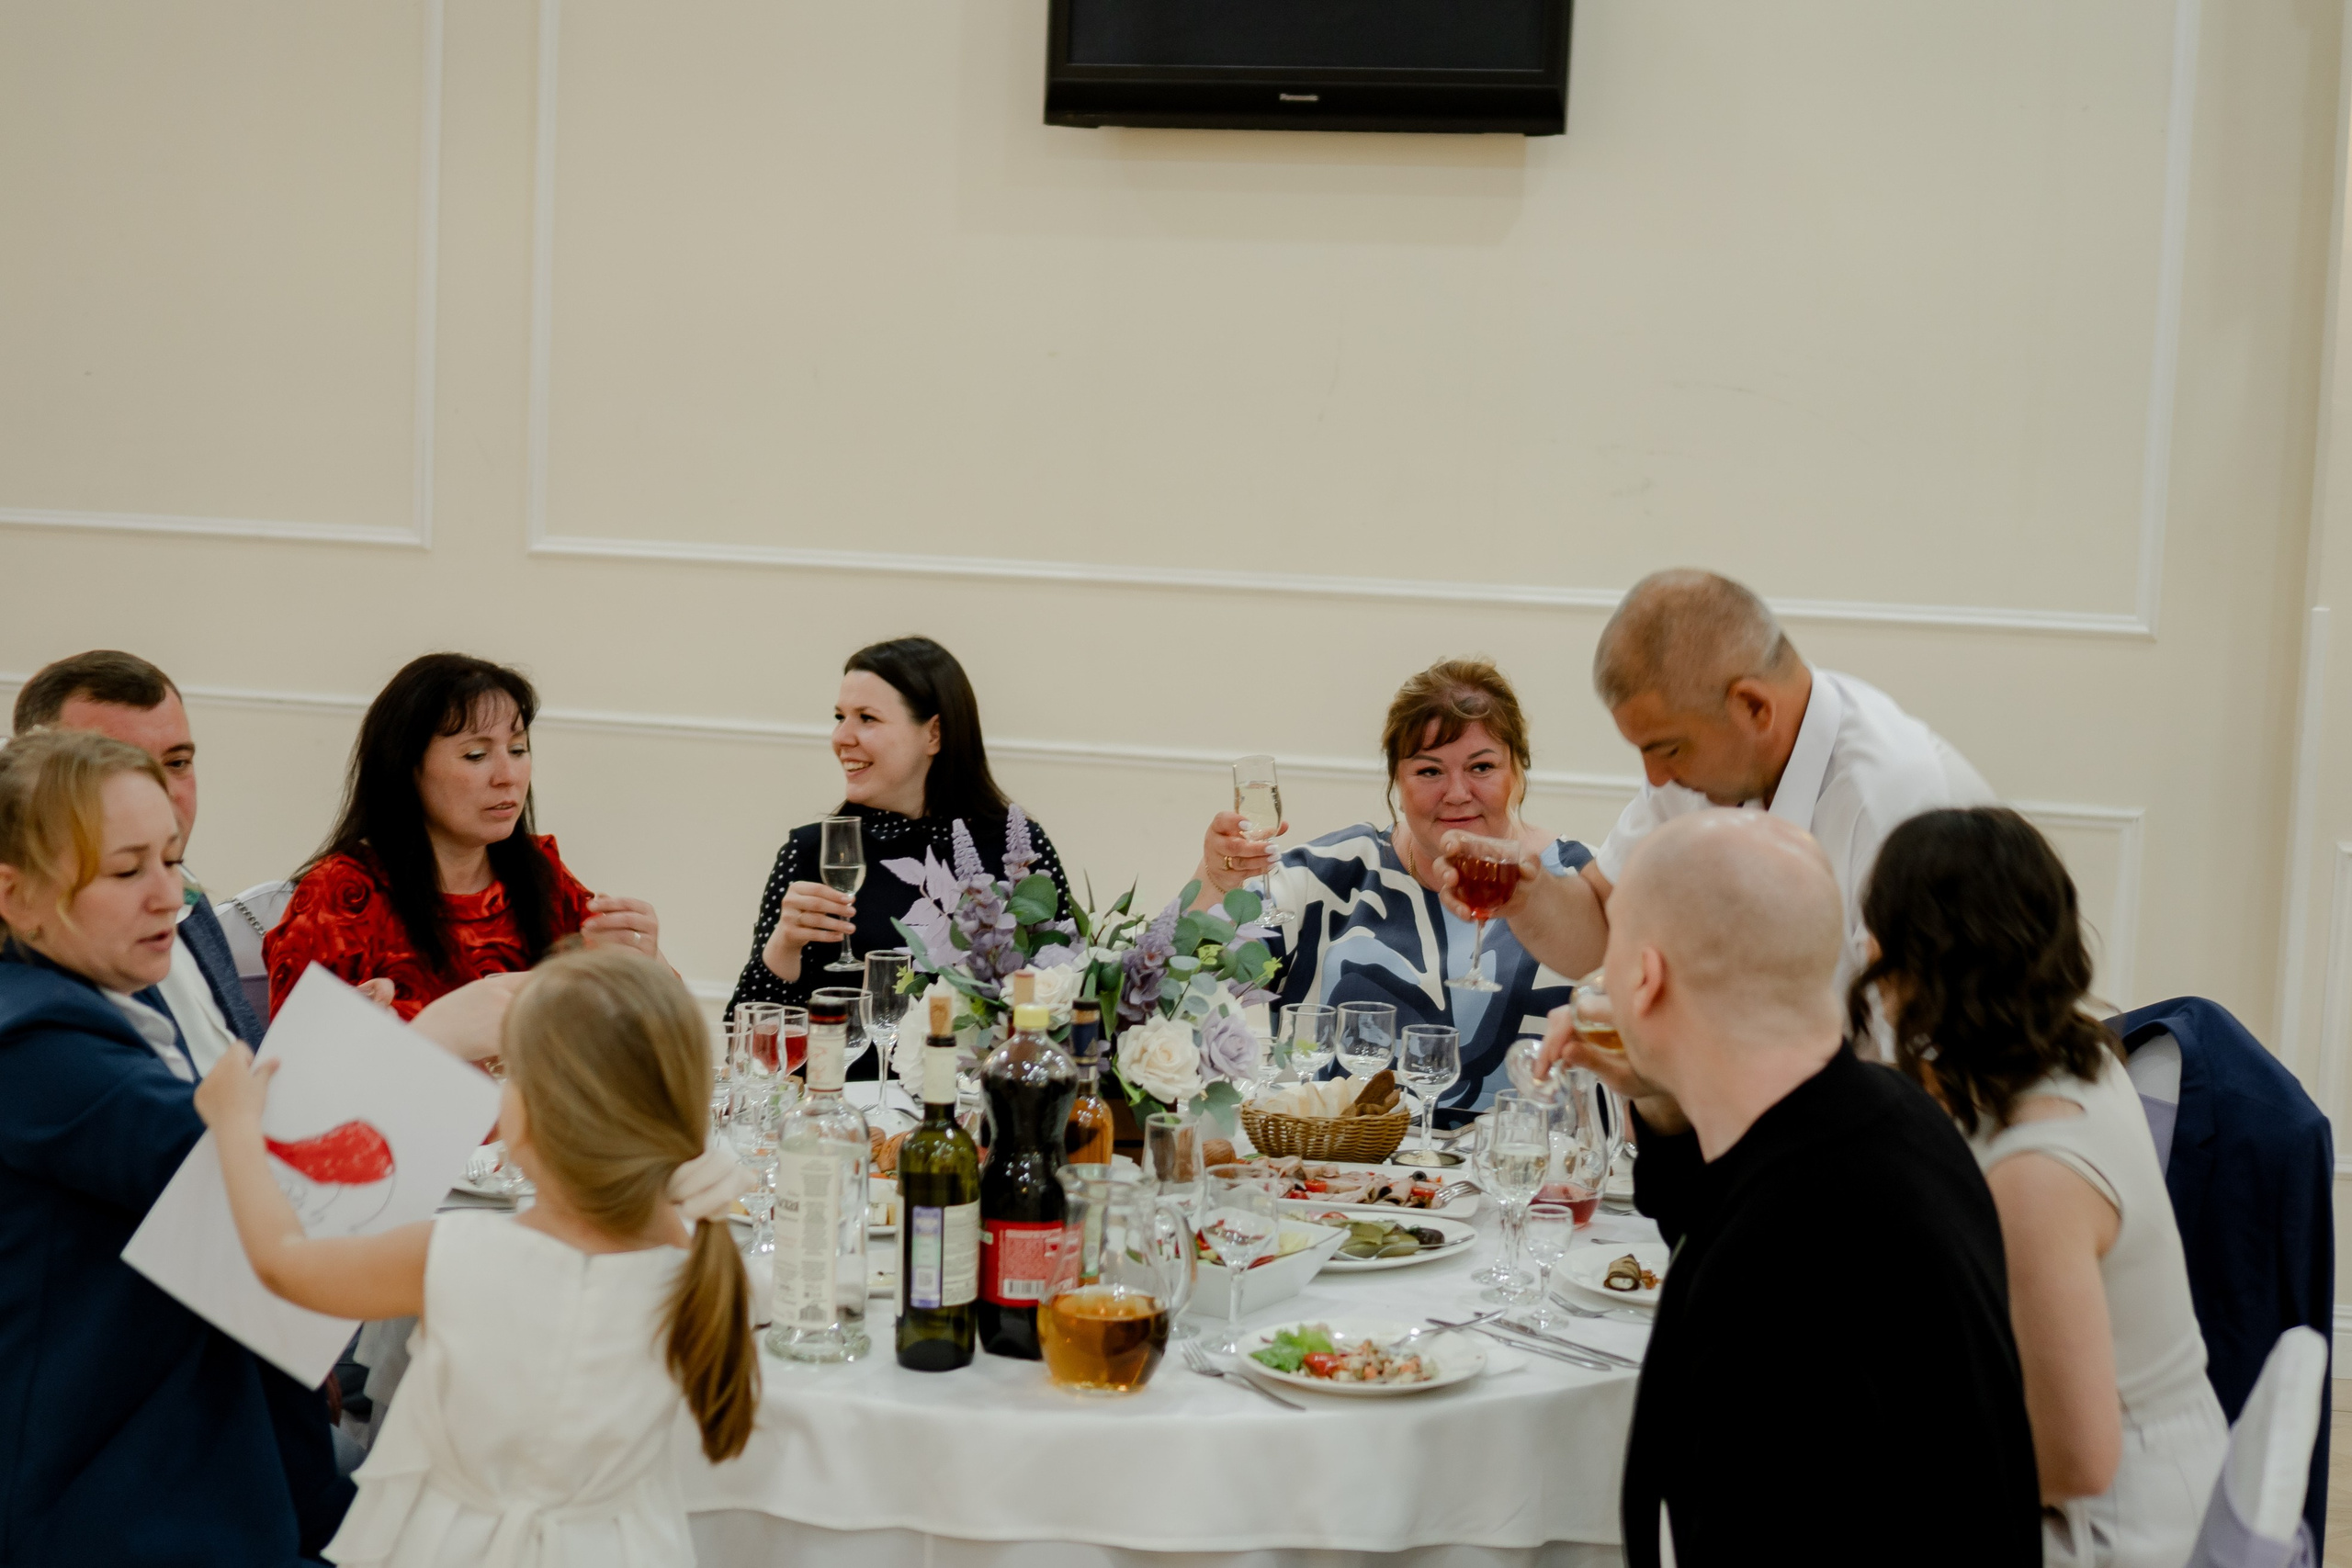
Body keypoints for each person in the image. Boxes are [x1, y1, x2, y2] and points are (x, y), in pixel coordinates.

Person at [1547, 808, 2041, 1566]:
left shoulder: (1780, 1263)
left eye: (1610, 952)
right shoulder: (1893, 1117)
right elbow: (1718, 1209)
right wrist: (1658, 1089)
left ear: (1644, 978)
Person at [194, 946, 760, 1565]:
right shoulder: (695, 1257)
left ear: (530, 1116)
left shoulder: (456, 1252)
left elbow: (284, 1259)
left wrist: (236, 1128)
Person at [0, 728, 352, 1564]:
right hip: (117, 1497)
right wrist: (436, 1040)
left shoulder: (97, 997)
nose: (172, 897)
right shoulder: (36, 1042)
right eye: (127, 871)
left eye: (170, 859)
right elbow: (258, 1184)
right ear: (14, 897)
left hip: (184, 1456)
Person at [1855, 808, 2227, 1566]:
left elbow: (2071, 1460)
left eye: (1878, 931)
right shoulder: (2071, 1047)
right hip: (2157, 1469)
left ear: (1924, 963)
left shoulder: (2039, 1175)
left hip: (2109, 1526)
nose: (1865, 951)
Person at [1449, 569, 1993, 993]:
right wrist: (1527, 895)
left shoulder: (1897, 806)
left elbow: (1928, 1065)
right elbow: (1606, 928)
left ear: (1754, 707)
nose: (1655, 777)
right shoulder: (1699, 770)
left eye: (1667, 748)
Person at [1197, 659, 1589, 1118]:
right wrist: (1214, 878)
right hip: (1337, 1179)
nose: (1457, 792)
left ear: (1517, 771)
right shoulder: (1330, 877)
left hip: (1518, 1176)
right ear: (1396, 781)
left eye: (1481, 767)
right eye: (1429, 771)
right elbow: (1187, 981)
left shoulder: (1579, 885)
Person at [265, 653, 664, 1021]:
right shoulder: (340, 896)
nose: (507, 776)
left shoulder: (539, 872)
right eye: (476, 755)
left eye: (518, 749)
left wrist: (643, 962)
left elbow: (639, 1043)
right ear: (405, 766)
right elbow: (298, 1072)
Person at [727, 637, 1071, 1036]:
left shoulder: (1017, 848)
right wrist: (783, 945)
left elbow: (1069, 991)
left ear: (934, 735)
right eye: (840, 717)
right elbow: (745, 1041)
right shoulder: (811, 854)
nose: (841, 737)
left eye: (866, 718)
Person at [13, 649, 261, 1069]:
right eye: (119, 768)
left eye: (177, 763)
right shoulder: (49, 951)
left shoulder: (186, 889)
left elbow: (243, 1060)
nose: (160, 794)